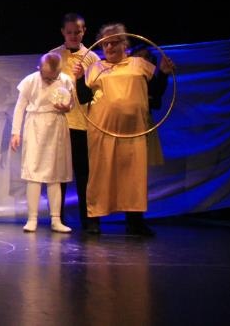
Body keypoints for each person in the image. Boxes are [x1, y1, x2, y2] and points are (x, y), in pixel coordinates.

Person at [73, 23, 174, 236]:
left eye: (114, 43)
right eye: (106, 44)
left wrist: (164, 74)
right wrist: (79, 78)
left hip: (134, 133)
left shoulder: (139, 64)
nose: (109, 47)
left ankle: (135, 222)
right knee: (100, 177)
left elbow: (156, 92)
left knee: (133, 178)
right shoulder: (95, 68)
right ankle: (93, 221)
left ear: (124, 44)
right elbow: (83, 98)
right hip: (102, 132)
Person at [9, 52, 74, 233]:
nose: (49, 80)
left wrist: (66, 107)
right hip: (35, 126)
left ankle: (56, 219)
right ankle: (32, 218)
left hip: (56, 126)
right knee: (34, 172)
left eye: (53, 77)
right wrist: (15, 132)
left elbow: (71, 103)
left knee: (55, 173)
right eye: (46, 77)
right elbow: (20, 107)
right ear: (39, 69)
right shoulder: (30, 81)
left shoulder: (66, 80)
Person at [48, 13, 101, 232]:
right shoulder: (53, 55)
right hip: (59, 123)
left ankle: (89, 219)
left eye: (77, 32)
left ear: (84, 31)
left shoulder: (92, 58)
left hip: (83, 124)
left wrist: (84, 76)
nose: (73, 36)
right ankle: (57, 218)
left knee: (85, 174)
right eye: (69, 32)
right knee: (59, 173)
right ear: (62, 32)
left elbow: (97, 90)